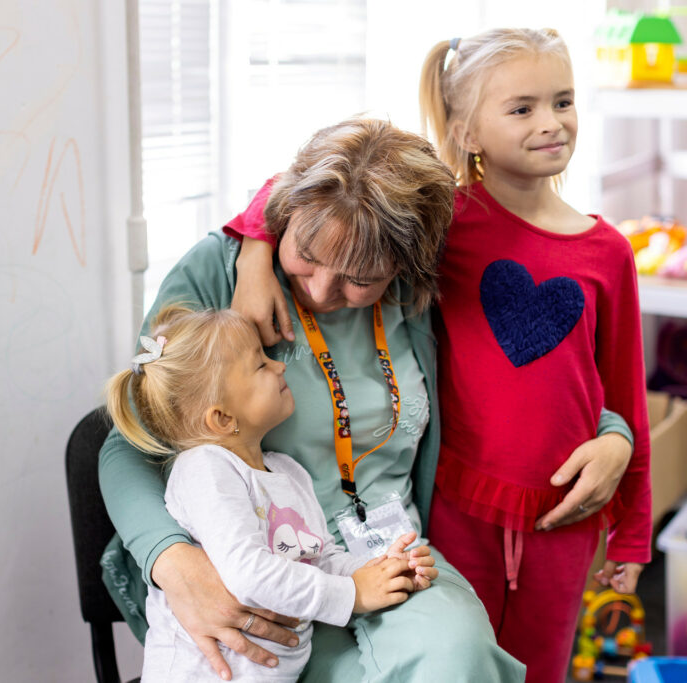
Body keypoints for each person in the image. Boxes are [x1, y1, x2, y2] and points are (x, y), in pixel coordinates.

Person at [228, 29, 650, 683]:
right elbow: (315, 182)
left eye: (563, 102)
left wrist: (633, 530)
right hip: (456, 507)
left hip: (566, 514)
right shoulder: (441, 221)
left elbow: (625, 394)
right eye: (523, 107)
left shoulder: (609, 252)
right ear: (467, 130)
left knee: (542, 670)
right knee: (460, 660)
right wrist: (256, 248)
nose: (552, 123)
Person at [98, 117, 529, 682]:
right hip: (255, 568)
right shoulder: (219, 275)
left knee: (458, 657)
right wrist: (173, 563)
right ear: (284, 217)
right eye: (306, 253)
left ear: (406, 267)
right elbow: (127, 446)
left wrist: (612, 427)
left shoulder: (418, 295)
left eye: (360, 278)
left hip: (384, 553)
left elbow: (525, 371)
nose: (321, 290)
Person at [104, 304, 439, 681]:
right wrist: (353, 596)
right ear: (222, 418)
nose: (279, 366)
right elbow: (248, 574)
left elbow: (320, 557)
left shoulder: (287, 472)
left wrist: (380, 570)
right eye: (261, 365)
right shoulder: (204, 469)